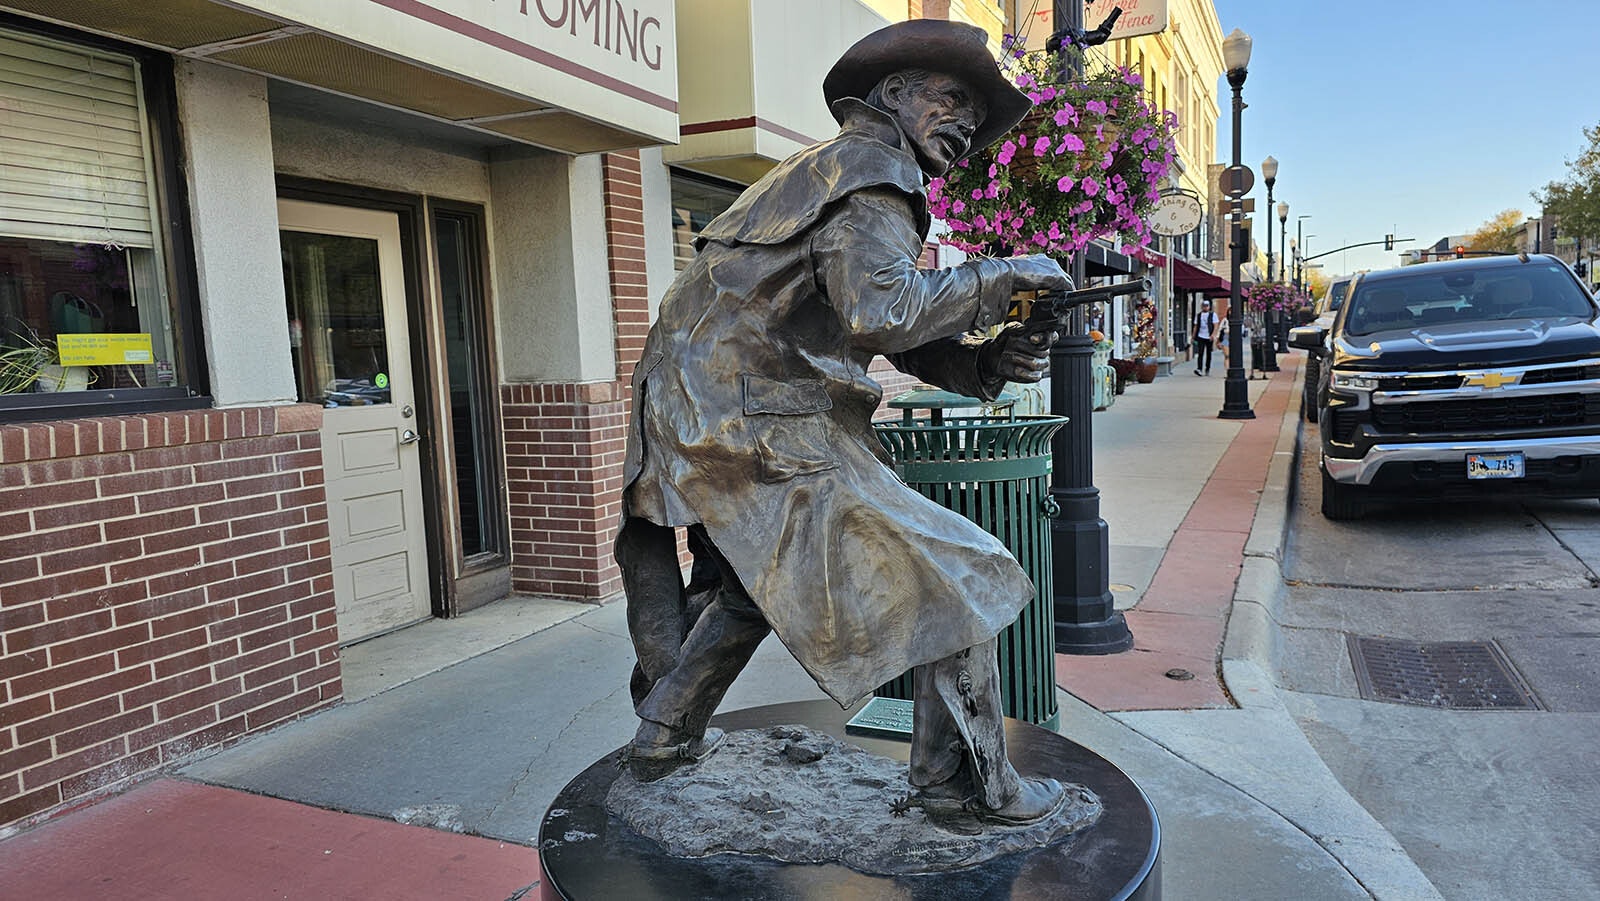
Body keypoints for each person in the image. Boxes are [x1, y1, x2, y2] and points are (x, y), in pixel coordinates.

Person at [615, 19, 1070, 829]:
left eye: (974, 109)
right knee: (961, 576)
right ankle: (965, 785)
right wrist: (1005, 275)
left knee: (749, 589)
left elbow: (850, 317)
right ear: (894, 95)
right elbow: (882, 309)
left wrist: (982, 363)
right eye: (952, 98)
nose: (966, 122)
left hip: (705, 408)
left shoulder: (824, 171)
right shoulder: (872, 171)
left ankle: (665, 728)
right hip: (752, 416)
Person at [1191, 299, 1218, 375]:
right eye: (1204, 306)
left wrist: (1213, 335)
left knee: (1209, 353)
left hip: (1209, 336)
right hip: (1200, 336)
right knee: (1200, 353)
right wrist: (1193, 337)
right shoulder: (1198, 315)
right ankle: (1199, 368)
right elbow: (1195, 326)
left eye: (1206, 306)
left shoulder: (1213, 315)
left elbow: (1215, 326)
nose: (1205, 307)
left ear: (1209, 307)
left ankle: (1207, 368)